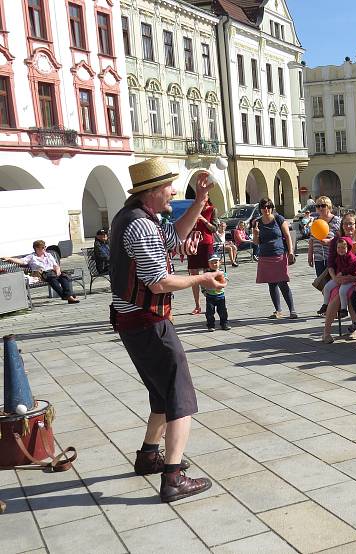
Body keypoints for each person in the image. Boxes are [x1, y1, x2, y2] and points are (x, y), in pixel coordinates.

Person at [109, 156, 224, 502]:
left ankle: (148, 456)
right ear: (152, 192)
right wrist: (203, 277)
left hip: (135, 322)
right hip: (148, 323)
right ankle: (173, 478)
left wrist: (201, 200)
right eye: (169, 186)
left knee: (161, 393)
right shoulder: (141, 226)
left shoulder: (137, 218)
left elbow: (173, 238)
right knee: (181, 398)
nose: (174, 191)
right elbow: (159, 283)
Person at [253, 197, 297, 319]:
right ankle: (278, 310)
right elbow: (255, 242)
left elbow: (287, 236)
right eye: (263, 207)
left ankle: (292, 310)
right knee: (271, 284)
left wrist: (291, 251)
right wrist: (256, 233)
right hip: (265, 256)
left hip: (279, 254)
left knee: (283, 282)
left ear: (272, 208)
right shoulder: (257, 222)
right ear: (260, 209)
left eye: (268, 206)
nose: (266, 209)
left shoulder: (279, 219)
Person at [2, 241, 80, 304]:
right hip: (42, 274)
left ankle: (67, 296)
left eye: (45, 247)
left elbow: (55, 265)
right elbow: (21, 261)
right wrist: (9, 258)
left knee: (64, 277)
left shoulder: (48, 255)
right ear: (36, 248)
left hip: (53, 272)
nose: (45, 248)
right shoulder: (32, 257)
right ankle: (69, 296)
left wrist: (58, 271)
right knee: (52, 279)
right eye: (43, 247)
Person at [321, 236, 356, 343]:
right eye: (346, 224)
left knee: (348, 294)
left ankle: (354, 328)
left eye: (351, 224)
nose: (349, 227)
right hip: (338, 278)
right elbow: (330, 264)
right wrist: (336, 277)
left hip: (355, 279)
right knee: (333, 292)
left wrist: (350, 277)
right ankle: (326, 331)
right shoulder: (336, 242)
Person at [187, 198, 217, 315]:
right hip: (193, 244)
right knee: (194, 275)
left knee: (207, 274)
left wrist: (204, 220)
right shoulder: (194, 208)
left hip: (206, 244)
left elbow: (214, 228)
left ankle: (210, 303)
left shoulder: (212, 209)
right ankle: (197, 306)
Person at [308, 195, 341, 277]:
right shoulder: (315, 221)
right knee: (321, 283)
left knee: (333, 283)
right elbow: (312, 239)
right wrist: (310, 255)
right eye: (317, 206)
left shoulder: (336, 220)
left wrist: (330, 241)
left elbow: (342, 238)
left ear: (329, 207)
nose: (320, 208)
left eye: (323, 206)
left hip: (333, 258)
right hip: (318, 258)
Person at [203, 255, 230, 331]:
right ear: (209, 264)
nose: (214, 264)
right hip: (210, 296)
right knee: (210, 312)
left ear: (220, 263)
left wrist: (225, 280)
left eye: (216, 262)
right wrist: (204, 291)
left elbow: (226, 281)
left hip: (220, 295)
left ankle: (224, 323)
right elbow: (202, 282)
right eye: (212, 263)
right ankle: (210, 325)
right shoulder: (207, 274)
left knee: (223, 311)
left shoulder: (221, 272)